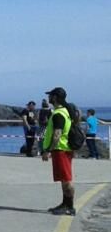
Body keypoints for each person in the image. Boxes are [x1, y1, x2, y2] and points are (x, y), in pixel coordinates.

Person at [40, 87, 75, 215]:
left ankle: (70, 207)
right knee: (63, 178)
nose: (48, 98)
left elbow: (57, 134)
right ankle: (65, 203)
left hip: (61, 149)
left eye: (50, 95)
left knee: (66, 179)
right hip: (63, 149)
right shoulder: (65, 111)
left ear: (54, 97)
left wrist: (48, 150)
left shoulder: (59, 114)